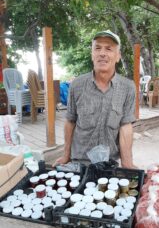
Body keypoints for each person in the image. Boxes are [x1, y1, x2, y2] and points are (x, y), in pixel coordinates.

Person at [53, 30, 136, 168]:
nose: (102, 53)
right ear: (92, 54)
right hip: (79, 162)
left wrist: (127, 164)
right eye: (97, 48)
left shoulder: (128, 87)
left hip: (110, 163)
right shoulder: (77, 85)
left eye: (109, 49)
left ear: (118, 56)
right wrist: (65, 156)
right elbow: (70, 121)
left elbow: (125, 126)